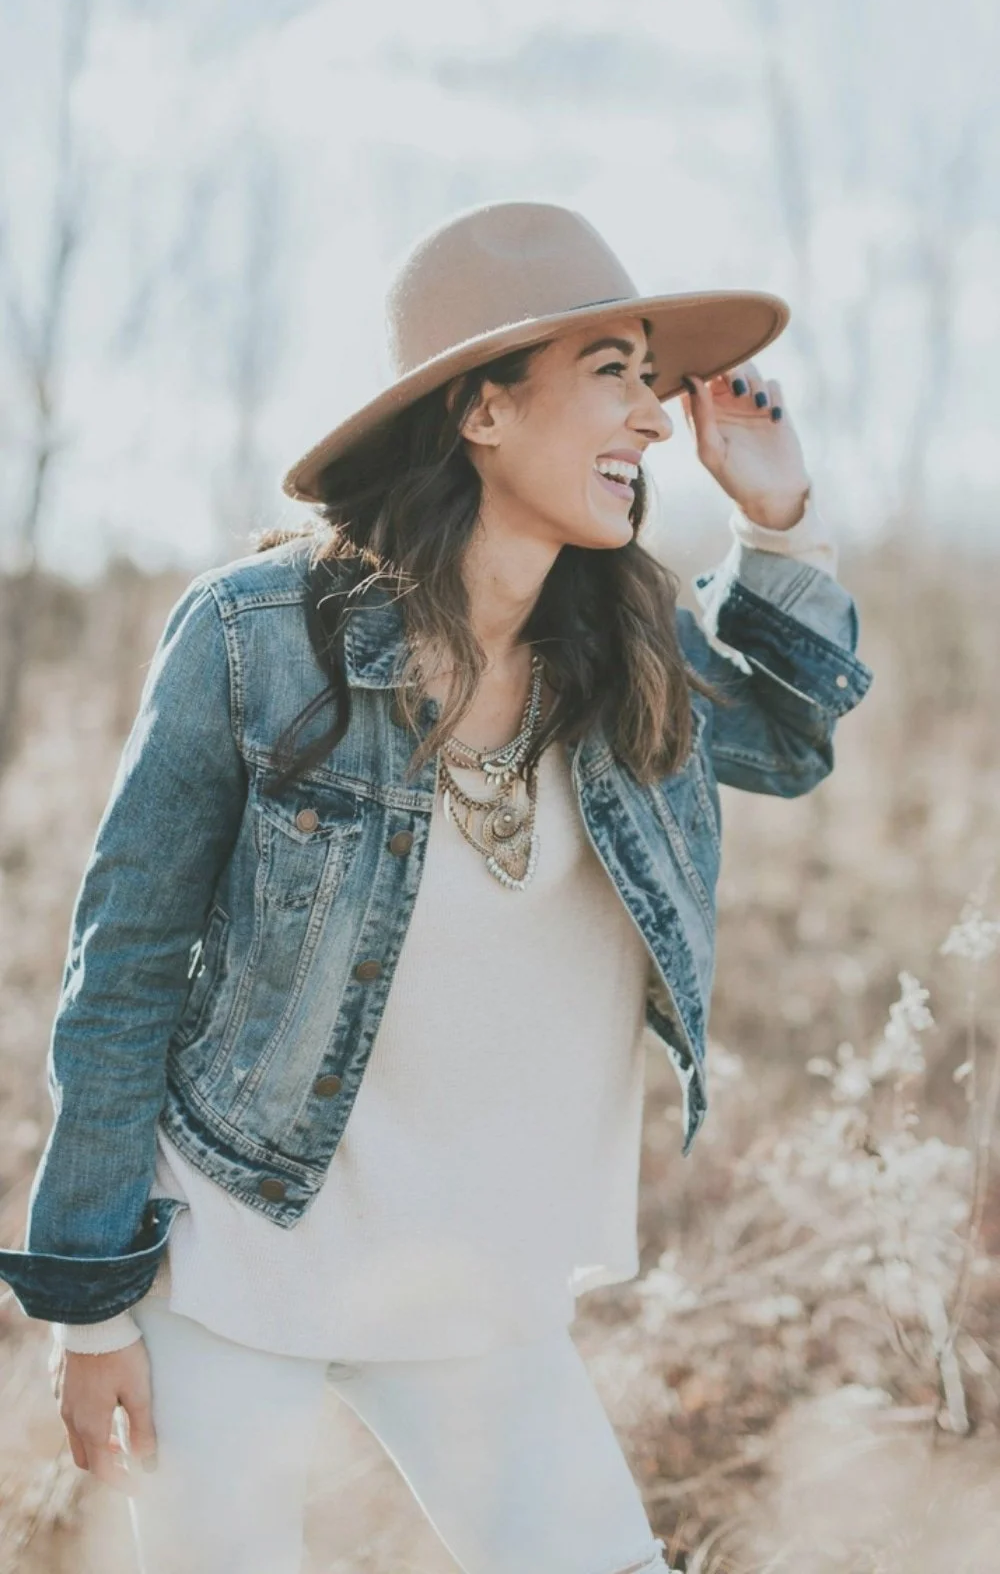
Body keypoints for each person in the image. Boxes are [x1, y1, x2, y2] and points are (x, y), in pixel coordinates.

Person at [0, 200, 873, 1574]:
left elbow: (791, 733)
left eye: (653, 380)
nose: (653, 421)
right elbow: (126, 956)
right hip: (234, 1256)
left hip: (480, 1288)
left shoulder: (630, 647)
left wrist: (780, 518)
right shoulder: (255, 638)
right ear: (481, 409)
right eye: (612, 375)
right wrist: (87, 1303)